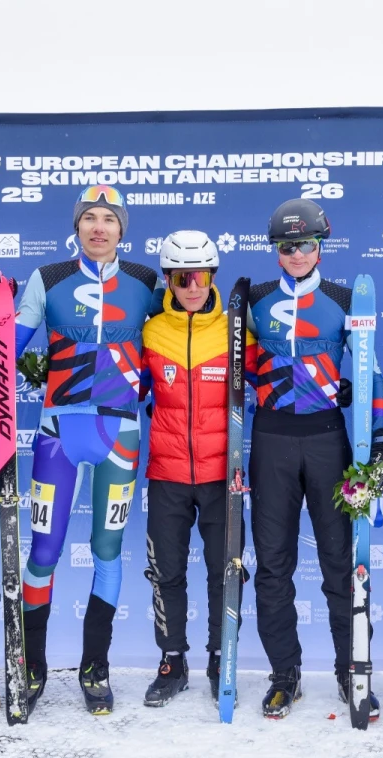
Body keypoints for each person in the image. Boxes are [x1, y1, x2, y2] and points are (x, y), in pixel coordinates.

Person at [10, 185, 157, 715]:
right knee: (44, 552)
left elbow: (168, 350)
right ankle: (32, 668)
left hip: (121, 436)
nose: (99, 227)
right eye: (89, 218)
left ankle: (96, 667)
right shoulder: (47, 279)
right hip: (57, 437)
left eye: (109, 220)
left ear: (122, 230)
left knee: (108, 551)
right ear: (76, 227)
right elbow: (8, 349)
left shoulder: (146, 282)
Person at [246, 198, 383, 720]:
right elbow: (236, 370)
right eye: (287, 246)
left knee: (341, 565)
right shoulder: (254, 300)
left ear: (321, 245)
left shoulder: (345, 297)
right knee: (273, 566)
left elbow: (372, 375)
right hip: (271, 439)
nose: (297, 254)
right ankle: (285, 675)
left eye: (306, 243)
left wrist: (378, 444)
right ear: (276, 251)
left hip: (329, 440)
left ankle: (351, 671)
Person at [136, 231, 256, 707]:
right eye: (182, 277)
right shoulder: (150, 333)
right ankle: (172, 660)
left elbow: (267, 381)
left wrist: (325, 391)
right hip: (165, 473)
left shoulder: (234, 332)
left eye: (201, 276)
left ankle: (217, 655)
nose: (192, 286)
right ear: (167, 278)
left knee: (222, 571)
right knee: (165, 571)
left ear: (212, 278)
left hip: (221, 476)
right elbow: (130, 388)